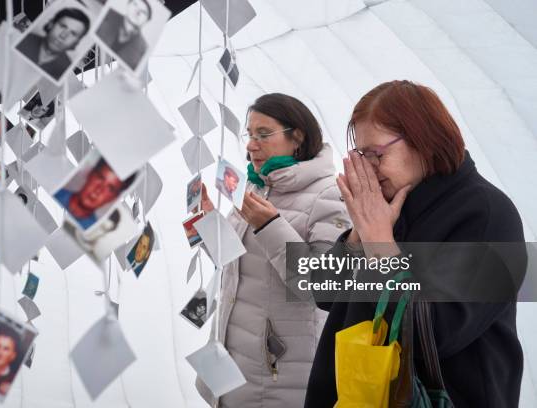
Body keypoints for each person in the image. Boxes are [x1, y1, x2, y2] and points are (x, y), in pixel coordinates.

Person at [304, 81, 527, 408]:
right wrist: (358, 233)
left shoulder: (489, 215)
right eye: (362, 156)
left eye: (377, 154)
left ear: (425, 140)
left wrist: (380, 243)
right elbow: (322, 291)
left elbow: (433, 334)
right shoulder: (392, 205)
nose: (369, 168)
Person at [195, 93, 350, 408]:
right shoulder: (257, 186)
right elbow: (235, 262)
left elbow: (322, 289)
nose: (252, 145)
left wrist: (269, 226)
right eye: (250, 135)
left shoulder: (328, 196)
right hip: (234, 369)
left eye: (263, 135)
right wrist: (208, 222)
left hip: (280, 379)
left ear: (297, 137)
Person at [54, 159, 134, 229]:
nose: (98, 190)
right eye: (100, 178)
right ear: (90, 173)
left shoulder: (92, 231)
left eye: (110, 188)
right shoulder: (55, 189)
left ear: (113, 198)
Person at [16, 8, 90, 81]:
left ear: (77, 42)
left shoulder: (64, 70)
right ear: (51, 24)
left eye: (73, 33)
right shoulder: (22, 40)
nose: (63, 35)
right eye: (62, 26)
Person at [96, 0, 151, 70]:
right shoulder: (107, 17)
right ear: (128, 5)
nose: (137, 12)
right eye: (135, 4)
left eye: (143, 12)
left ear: (147, 20)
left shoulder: (142, 49)